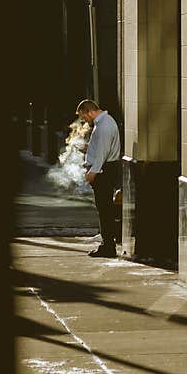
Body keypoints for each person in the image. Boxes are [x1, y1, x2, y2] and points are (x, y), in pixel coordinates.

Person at [76, 99, 121, 258]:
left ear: (90, 111)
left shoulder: (104, 126)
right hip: (103, 170)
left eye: (84, 117)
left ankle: (108, 246)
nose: (84, 121)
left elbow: (102, 152)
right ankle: (107, 243)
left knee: (105, 210)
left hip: (103, 172)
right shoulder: (104, 123)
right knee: (104, 209)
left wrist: (92, 172)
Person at [47, 118, 93, 195]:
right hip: (79, 156)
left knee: (81, 170)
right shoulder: (78, 136)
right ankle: (81, 186)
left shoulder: (87, 132)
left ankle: (83, 186)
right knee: (78, 170)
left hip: (83, 157)